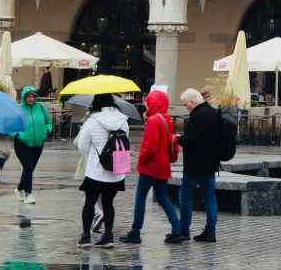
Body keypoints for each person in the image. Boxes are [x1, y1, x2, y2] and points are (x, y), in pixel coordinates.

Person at [120, 89, 180, 243]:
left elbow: (150, 147)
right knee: (163, 197)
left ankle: (136, 231)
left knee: (141, 196)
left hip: (150, 166)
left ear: (154, 103)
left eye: (148, 102)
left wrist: (141, 160)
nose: (146, 105)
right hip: (163, 165)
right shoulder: (167, 119)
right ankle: (177, 229)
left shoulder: (153, 121)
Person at [73, 92, 130, 247]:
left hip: (95, 172)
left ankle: (86, 237)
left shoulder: (92, 121)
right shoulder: (123, 121)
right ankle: (108, 236)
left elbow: (82, 145)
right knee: (108, 203)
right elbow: (125, 142)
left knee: (89, 203)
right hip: (115, 171)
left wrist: (93, 156)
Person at [174, 88, 227, 245]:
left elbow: (191, 141)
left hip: (194, 165)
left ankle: (184, 230)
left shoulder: (197, 116)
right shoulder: (213, 113)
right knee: (210, 198)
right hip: (211, 164)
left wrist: (178, 139)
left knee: (185, 196)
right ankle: (210, 232)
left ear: (192, 102)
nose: (186, 107)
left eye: (186, 104)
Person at [13, 85, 51, 204]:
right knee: (28, 167)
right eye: (29, 96)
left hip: (38, 143)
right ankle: (28, 194)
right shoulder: (18, 109)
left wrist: (47, 131)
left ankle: (19, 189)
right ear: (24, 97)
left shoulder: (40, 107)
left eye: (33, 96)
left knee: (29, 169)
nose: (31, 98)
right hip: (22, 144)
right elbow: (11, 124)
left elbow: (48, 121)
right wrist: (17, 135)